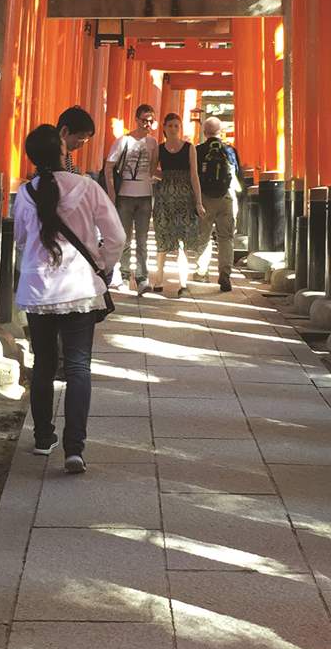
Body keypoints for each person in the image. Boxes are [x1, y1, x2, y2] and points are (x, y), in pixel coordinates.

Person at [14, 124, 125, 473]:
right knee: (78, 367)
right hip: (78, 288)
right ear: (63, 152)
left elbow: (19, 239)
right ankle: (74, 448)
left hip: (38, 290)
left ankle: (43, 438)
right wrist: (104, 266)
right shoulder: (86, 187)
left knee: (43, 365)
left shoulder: (25, 193)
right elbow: (116, 235)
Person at [103, 103, 158, 295]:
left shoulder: (153, 143)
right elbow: (109, 166)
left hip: (145, 195)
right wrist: (112, 193)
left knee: (142, 240)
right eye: (144, 120)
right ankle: (124, 275)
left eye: (151, 120)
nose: (148, 124)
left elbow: (153, 168)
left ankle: (142, 278)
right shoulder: (123, 141)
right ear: (136, 119)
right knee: (124, 238)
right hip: (125, 195)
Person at [150, 113, 205, 297]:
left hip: (185, 199)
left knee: (183, 241)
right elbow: (152, 170)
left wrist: (198, 202)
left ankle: (183, 283)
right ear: (164, 127)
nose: (174, 129)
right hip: (164, 199)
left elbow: (194, 175)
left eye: (177, 125)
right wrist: (167, 176)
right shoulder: (159, 149)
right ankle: (159, 279)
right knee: (163, 238)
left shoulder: (189, 148)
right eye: (171, 125)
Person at [194, 116, 245, 292]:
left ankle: (202, 270)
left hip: (206, 198)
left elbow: (193, 176)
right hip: (226, 197)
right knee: (226, 237)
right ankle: (225, 273)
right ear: (220, 132)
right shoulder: (229, 150)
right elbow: (239, 175)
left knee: (204, 235)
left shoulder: (198, 150)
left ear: (205, 132)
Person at [56, 105, 95, 174]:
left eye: (85, 141)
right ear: (65, 131)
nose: (81, 145)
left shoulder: (66, 152)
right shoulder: (54, 154)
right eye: (80, 139)